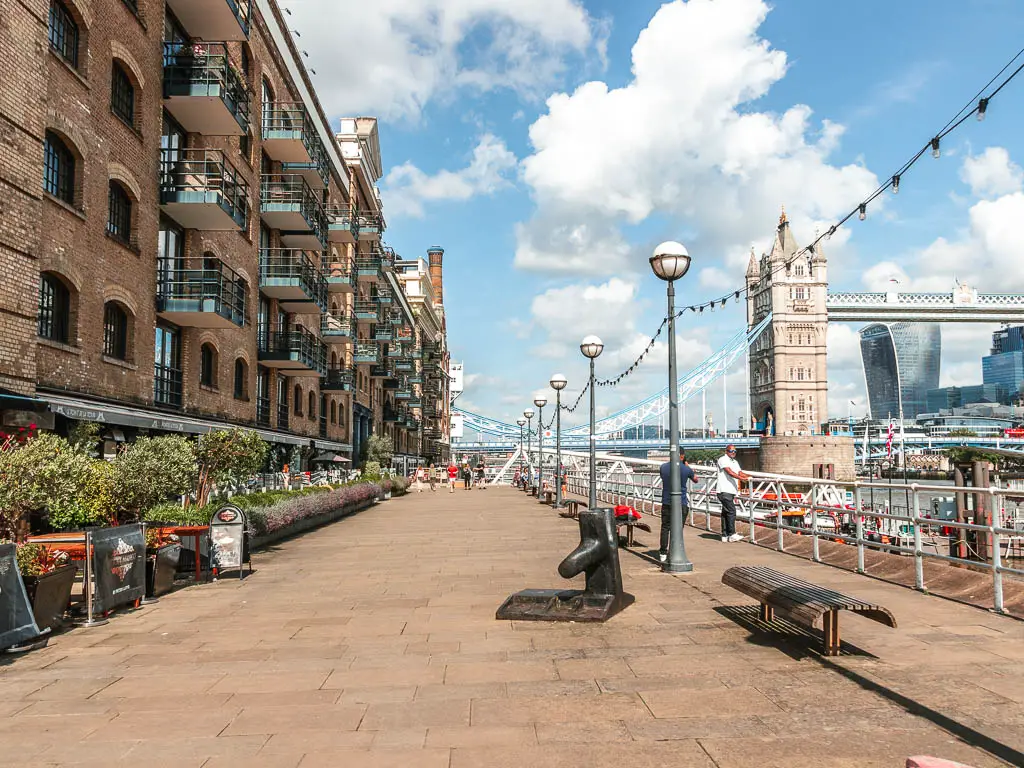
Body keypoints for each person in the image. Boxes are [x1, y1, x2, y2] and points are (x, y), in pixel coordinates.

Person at [658, 450, 698, 563]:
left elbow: (663, 477)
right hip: (681, 502)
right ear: (682, 456)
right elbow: (696, 479)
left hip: (666, 501)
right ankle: (675, 550)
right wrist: (686, 465)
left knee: (665, 527)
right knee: (678, 529)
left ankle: (663, 553)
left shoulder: (663, 467)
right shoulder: (686, 469)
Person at [717, 444, 750, 542]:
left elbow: (739, 472)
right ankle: (732, 534)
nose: (733, 453)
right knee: (731, 511)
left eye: (735, 451)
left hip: (731, 491)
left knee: (725, 512)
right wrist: (742, 479)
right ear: (726, 451)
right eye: (731, 451)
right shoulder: (722, 459)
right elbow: (729, 472)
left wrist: (750, 477)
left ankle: (725, 535)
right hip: (724, 490)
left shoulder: (735, 462)